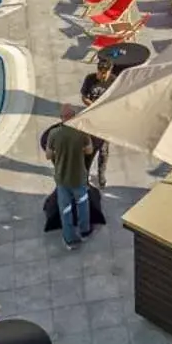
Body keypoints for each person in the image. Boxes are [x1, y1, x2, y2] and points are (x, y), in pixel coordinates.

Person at [47, 105, 97, 247]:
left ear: (62, 118)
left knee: (65, 209)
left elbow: (48, 155)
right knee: (82, 205)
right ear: (74, 117)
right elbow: (89, 150)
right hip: (79, 176)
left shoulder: (54, 134)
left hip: (62, 178)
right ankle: (84, 231)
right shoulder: (81, 132)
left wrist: (60, 153)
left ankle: (69, 240)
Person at [80, 57, 117, 187]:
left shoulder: (113, 81)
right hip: (91, 118)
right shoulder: (90, 79)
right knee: (89, 149)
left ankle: (101, 174)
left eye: (104, 73)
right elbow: (84, 97)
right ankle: (85, 175)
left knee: (103, 150)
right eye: (100, 71)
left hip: (106, 120)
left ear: (109, 71)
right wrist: (93, 105)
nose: (101, 75)